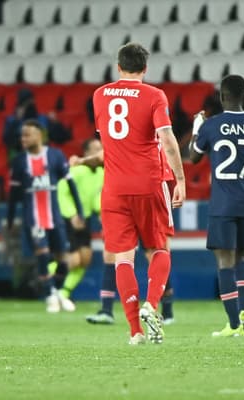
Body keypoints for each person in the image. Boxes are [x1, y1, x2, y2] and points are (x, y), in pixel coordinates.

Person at [93, 42, 185, 345]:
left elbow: (108, 137)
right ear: (145, 68)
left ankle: (135, 331)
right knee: (159, 247)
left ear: (118, 66)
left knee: (123, 258)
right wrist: (180, 180)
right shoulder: (154, 95)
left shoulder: (100, 94)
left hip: (114, 188)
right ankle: (151, 305)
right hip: (149, 182)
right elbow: (167, 139)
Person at [189, 75, 244, 337]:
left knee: (224, 261)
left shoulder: (211, 125)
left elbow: (194, 156)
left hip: (223, 202)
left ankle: (233, 324)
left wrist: (196, 129)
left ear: (221, 97)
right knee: (241, 257)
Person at [75, 145, 177, 326]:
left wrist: (80, 161)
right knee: (146, 253)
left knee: (149, 254)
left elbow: (100, 157)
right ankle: (108, 310)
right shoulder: (138, 138)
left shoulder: (124, 141)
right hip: (140, 195)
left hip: (135, 197)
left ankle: (163, 312)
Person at [7, 119, 84, 313]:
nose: (23, 139)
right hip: (33, 218)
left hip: (55, 217)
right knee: (42, 254)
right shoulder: (19, 161)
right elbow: (14, 195)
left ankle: (57, 292)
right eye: (22, 135)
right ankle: (50, 295)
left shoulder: (56, 156)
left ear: (39, 135)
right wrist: (9, 218)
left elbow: (72, 186)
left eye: (27, 135)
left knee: (63, 260)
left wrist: (80, 211)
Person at [51, 138, 104, 304]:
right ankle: (45, 274)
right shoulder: (76, 170)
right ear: (86, 153)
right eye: (95, 149)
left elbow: (97, 197)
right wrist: (72, 214)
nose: (99, 152)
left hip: (86, 218)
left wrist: (102, 215)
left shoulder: (102, 173)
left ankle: (64, 293)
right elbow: (62, 191)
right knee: (74, 260)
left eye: (101, 149)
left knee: (86, 259)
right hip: (68, 218)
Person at [3, 88, 71, 161]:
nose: (28, 106)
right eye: (25, 104)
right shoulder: (12, 120)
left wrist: (56, 123)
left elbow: (62, 138)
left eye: (30, 102)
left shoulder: (43, 119)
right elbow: (8, 141)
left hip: (42, 158)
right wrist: (16, 121)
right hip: (21, 158)